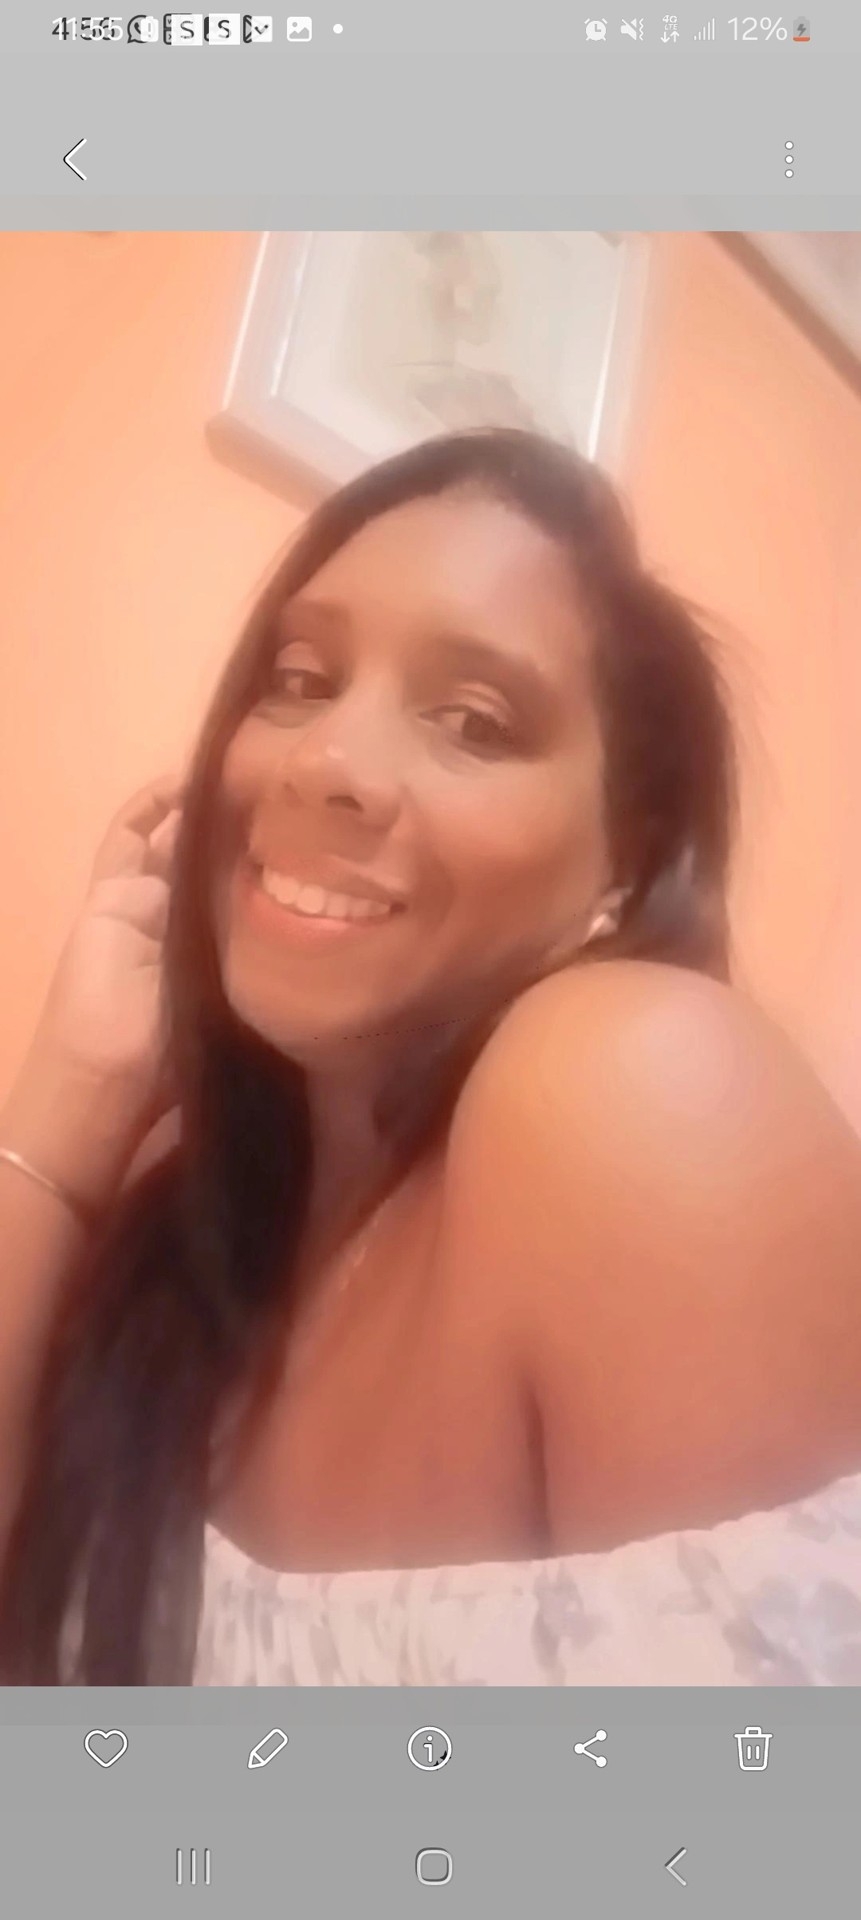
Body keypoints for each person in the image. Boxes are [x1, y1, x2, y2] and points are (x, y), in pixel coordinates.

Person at [1, 426, 861, 1686]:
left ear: (624, 864)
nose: (324, 764)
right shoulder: (179, 1195)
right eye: (299, 679)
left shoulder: (633, 1085)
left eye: (473, 721)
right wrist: (64, 1110)